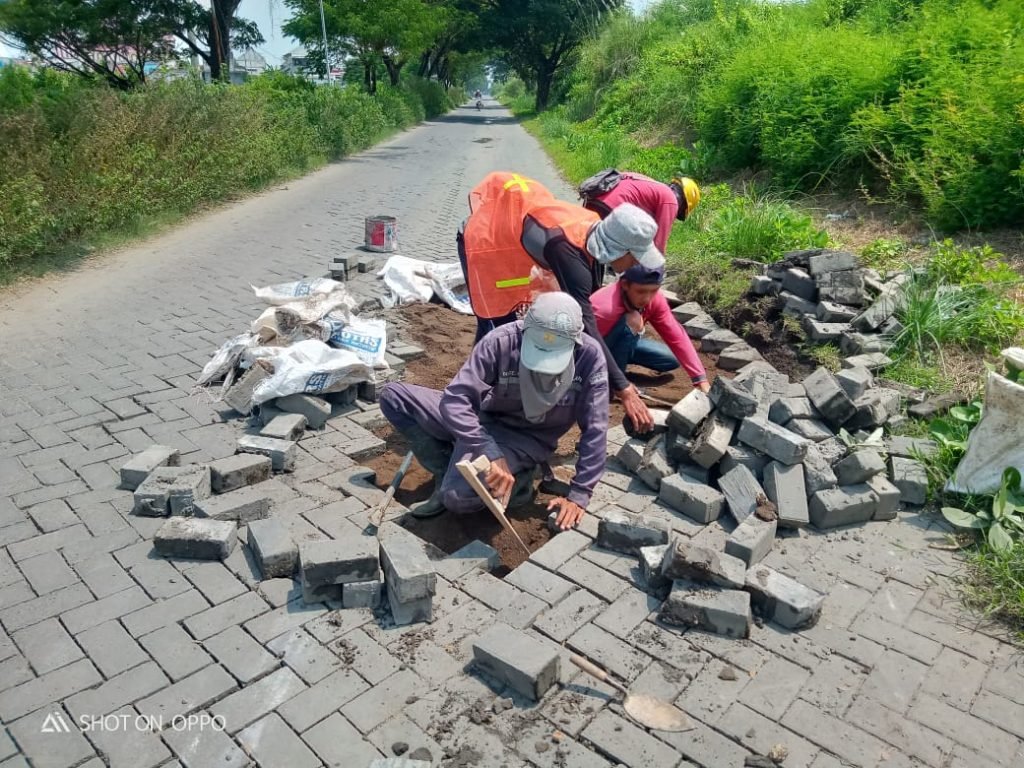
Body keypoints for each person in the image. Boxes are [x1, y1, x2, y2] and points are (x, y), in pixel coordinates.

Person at [379, 292, 609, 530]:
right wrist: (486, 448)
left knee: (457, 498)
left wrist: (579, 495)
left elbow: (596, 430)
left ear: (576, 341)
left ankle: (519, 479)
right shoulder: (502, 341)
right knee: (394, 397)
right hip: (482, 419)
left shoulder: (590, 359)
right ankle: (445, 467)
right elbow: (456, 399)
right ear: (525, 329)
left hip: (526, 438)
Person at [459, 170, 666, 431]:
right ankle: (471, 405)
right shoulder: (568, 251)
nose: (636, 264)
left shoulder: (595, 229)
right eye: (635, 256)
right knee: (498, 331)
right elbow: (586, 324)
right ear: (617, 249)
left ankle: (500, 390)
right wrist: (623, 388)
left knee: (525, 329)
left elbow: (585, 308)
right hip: (487, 244)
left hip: (516, 238)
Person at [591, 264, 710, 393]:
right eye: (641, 291)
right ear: (625, 284)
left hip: (621, 343)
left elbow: (677, 336)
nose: (647, 298)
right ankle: (610, 382)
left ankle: (618, 371)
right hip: (593, 350)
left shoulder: (655, 300)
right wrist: (619, 384)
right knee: (633, 320)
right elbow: (586, 350)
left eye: (653, 291)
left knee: (670, 359)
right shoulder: (605, 309)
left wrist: (700, 378)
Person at [579, 170, 701, 254]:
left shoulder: (652, 186)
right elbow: (658, 245)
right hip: (613, 209)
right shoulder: (671, 200)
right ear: (684, 203)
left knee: (587, 249)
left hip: (594, 200)